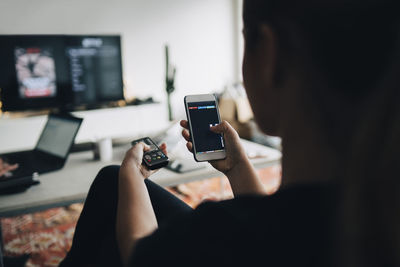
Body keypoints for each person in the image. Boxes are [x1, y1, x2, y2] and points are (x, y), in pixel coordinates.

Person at [60, 0, 400, 266]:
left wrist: (131, 175)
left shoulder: (221, 238)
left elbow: (141, 255)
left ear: (270, 55)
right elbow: (279, 233)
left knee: (112, 186)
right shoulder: (370, 210)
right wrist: (238, 169)